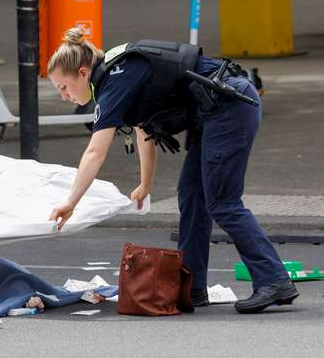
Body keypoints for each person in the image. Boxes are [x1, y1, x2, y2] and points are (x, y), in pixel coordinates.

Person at [46, 27, 298, 314]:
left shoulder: (114, 79)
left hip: (230, 107)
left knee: (222, 201)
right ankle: (192, 288)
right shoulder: (117, 72)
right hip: (217, 110)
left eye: (62, 88)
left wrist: (70, 202)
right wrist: (145, 183)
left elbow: (95, 151)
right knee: (191, 194)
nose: (64, 96)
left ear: (82, 72)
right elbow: (144, 131)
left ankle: (274, 280)